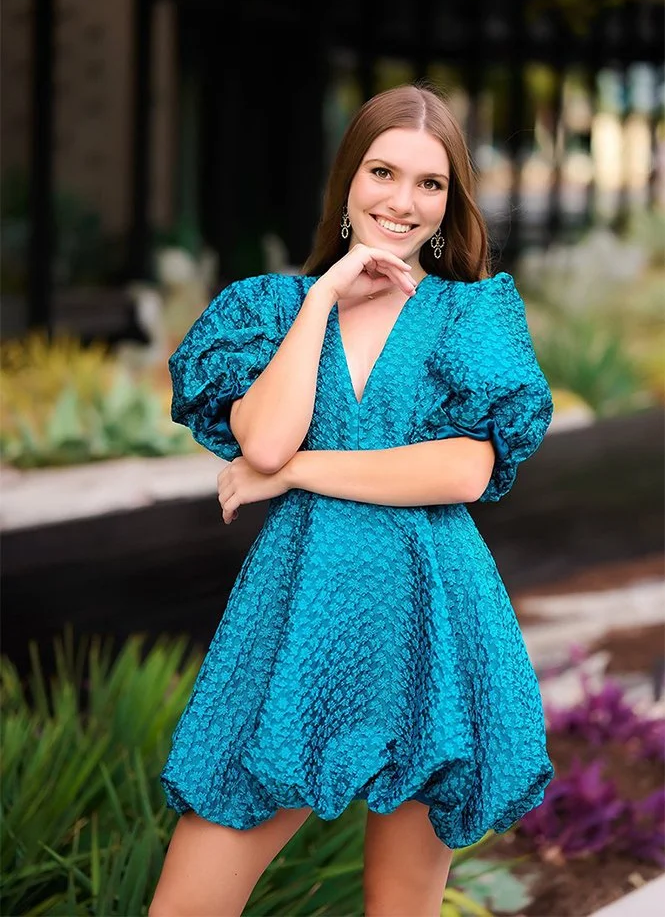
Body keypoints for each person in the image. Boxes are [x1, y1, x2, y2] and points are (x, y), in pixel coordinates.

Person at [149, 82, 555, 917]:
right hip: (299, 618)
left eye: (429, 183)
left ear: (448, 202)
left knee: (400, 907)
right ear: (347, 180)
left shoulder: (470, 314)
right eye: (382, 172)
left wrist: (298, 474)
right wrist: (324, 299)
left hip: (432, 621)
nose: (402, 201)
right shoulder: (267, 310)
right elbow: (263, 442)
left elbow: (462, 472)